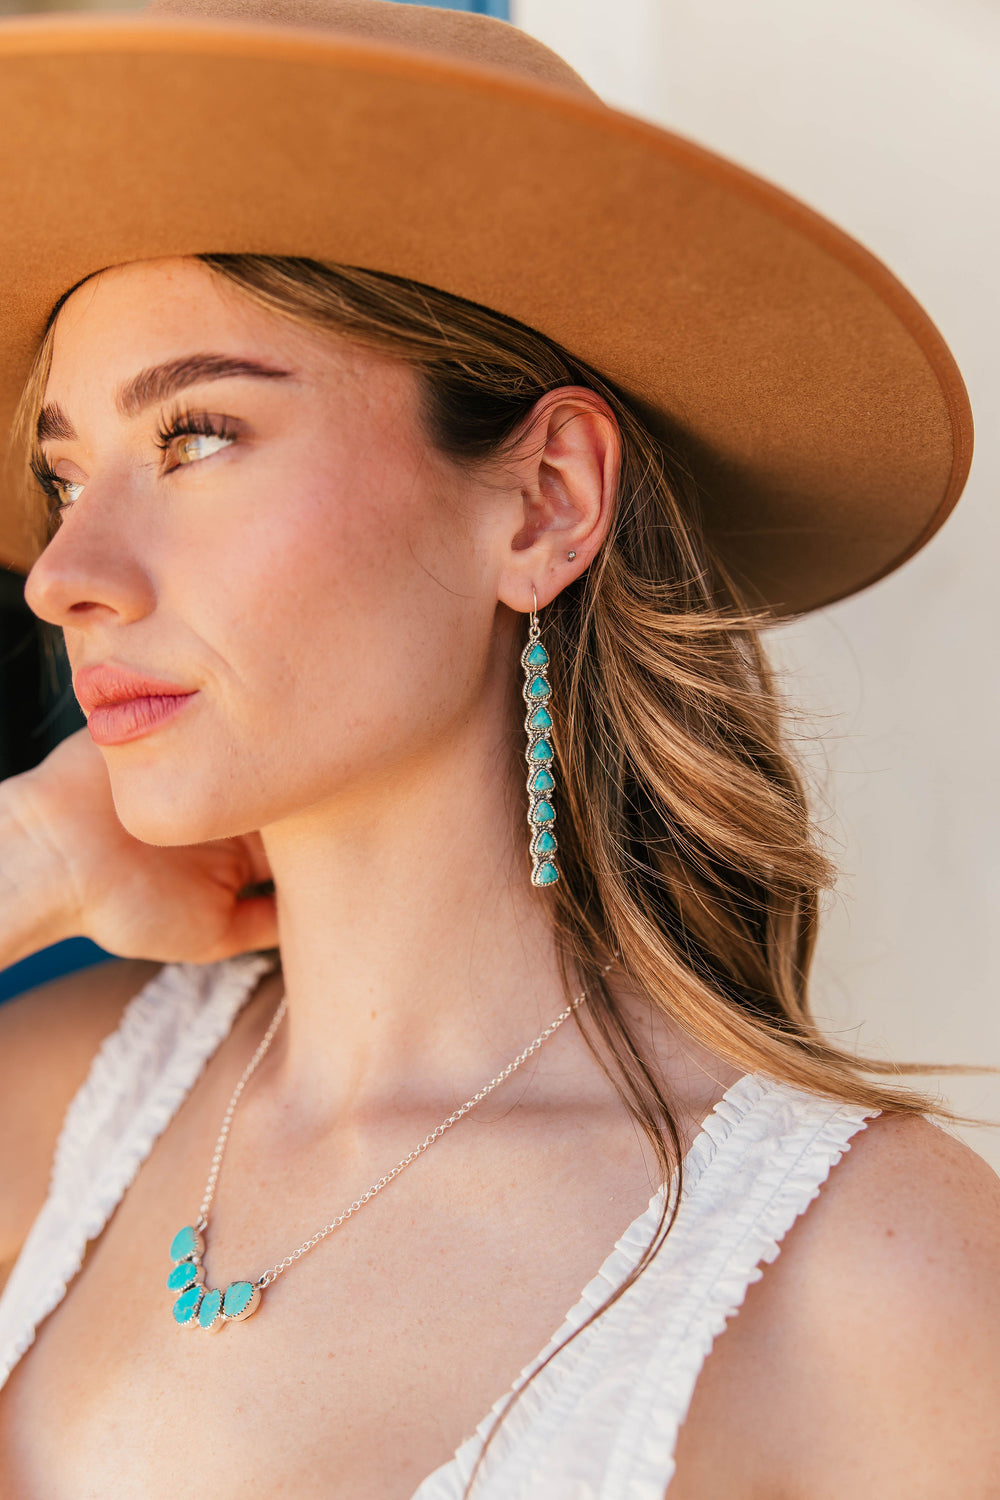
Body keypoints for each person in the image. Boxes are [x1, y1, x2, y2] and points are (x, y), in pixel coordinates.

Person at [0, 2, 998, 1496]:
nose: (63, 570)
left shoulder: (875, 1283)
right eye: (60, 472)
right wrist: (28, 856)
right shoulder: (46, 1116)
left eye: (197, 434)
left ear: (541, 502)